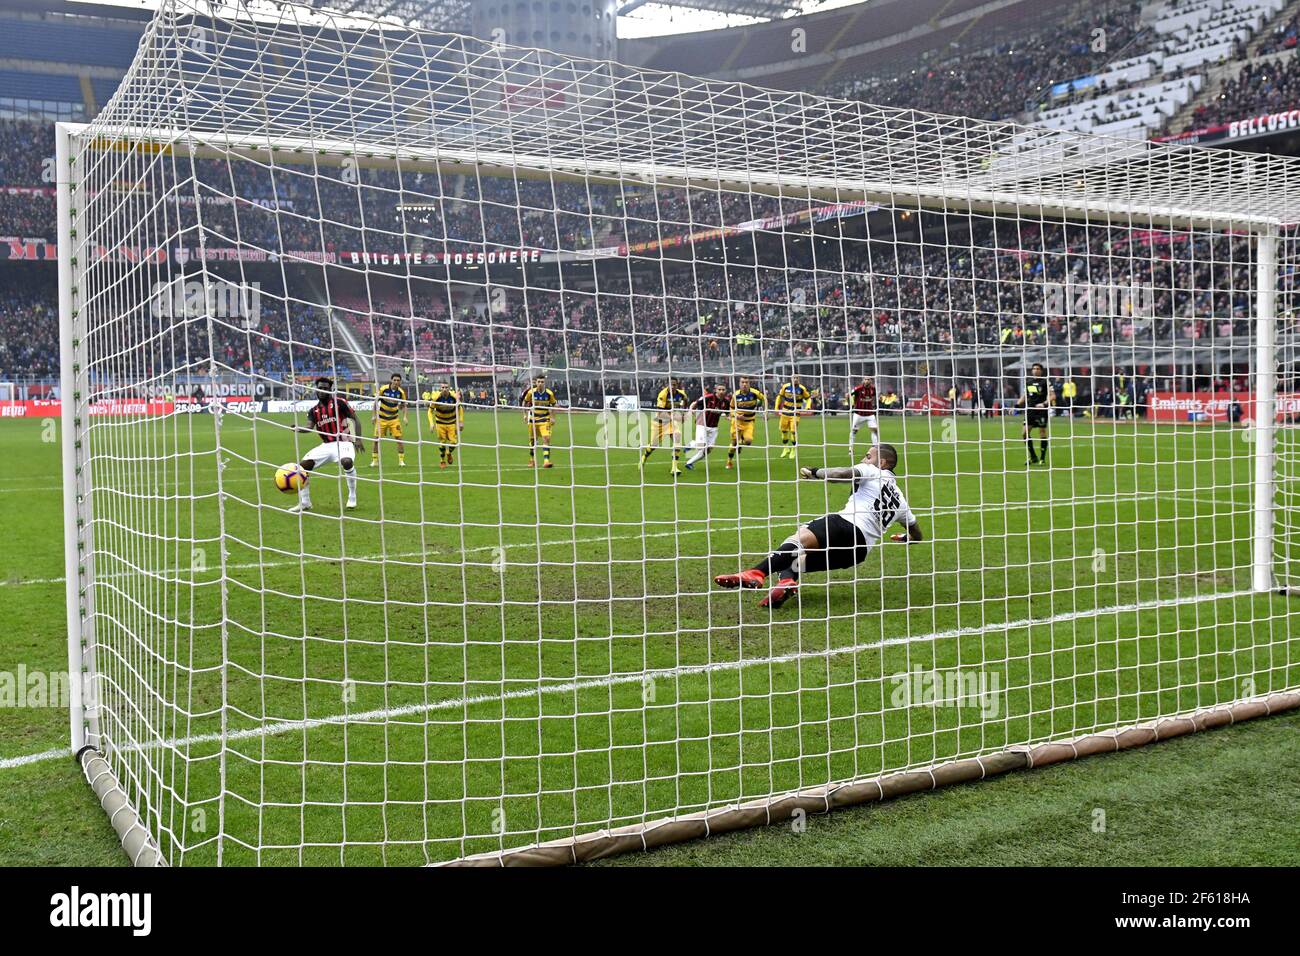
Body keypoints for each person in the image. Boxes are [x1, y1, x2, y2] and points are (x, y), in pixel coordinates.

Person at [714, 443, 922, 609]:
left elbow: (842, 473)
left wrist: (815, 472)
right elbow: (917, 533)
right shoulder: (902, 502)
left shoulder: (873, 471)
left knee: (796, 540)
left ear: (883, 462)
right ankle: (785, 584)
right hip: (858, 552)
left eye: (868, 456)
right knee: (792, 559)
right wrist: (906, 539)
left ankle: (756, 573)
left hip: (844, 526)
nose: (863, 459)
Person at [290, 376, 364, 513]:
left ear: (330, 390)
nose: (322, 391)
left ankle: (352, 496)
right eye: (320, 388)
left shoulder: (339, 402)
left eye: (325, 388)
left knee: (347, 462)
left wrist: (358, 439)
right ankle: (305, 503)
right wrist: (298, 429)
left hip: (343, 443)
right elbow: (309, 427)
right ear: (316, 390)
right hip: (326, 446)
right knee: (302, 467)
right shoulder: (314, 410)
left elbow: (355, 419)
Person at [641, 376, 689, 476]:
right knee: (653, 446)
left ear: (677, 385)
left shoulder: (681, 394)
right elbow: (660, 414)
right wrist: (676, 417)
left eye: (674, 385)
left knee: (677, 437)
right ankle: (644, 456)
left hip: (671, 422)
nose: (672, 386)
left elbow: (685, 400)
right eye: (670, 384)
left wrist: (684, 413)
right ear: (667, 385)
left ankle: (674, 468)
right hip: (659, 423)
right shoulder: (663, 394)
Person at [684, 383, 729, 471]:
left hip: (714, 427)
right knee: (701, 446)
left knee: (708, 449)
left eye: (723, 390)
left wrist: (730, 418)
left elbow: (727, 414)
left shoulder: (726, 402)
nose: (721, 391)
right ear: (716, 390)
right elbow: (695, 403)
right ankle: (691, 444)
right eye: (719, 389)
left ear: (726, 391)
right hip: (702, 423)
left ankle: (689, 463)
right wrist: (690, 411)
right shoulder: (708, 397)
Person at [727, 376, 766, 469]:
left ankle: (740, 444)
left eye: (746, 382)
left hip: (749, 422)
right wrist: (736, 415)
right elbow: (731, 408)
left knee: (748, 441)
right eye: (742, 382)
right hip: (737, 422)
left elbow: (764, 399)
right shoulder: (735, 395)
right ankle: (729, 461)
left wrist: (765, 411)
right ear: (739, 384)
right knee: (733, 443)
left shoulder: (755, 393)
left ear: (749, 384)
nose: (744, 384)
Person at [1018, 363, 1053, 465]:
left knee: (1042, 432)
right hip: (1030, 410)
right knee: (1024, 433)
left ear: (1041, 371)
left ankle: (1042, 458)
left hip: (1041, 410)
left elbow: (1052, 396)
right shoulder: (1028, 382)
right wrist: (1016, 405)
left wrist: (1044, 404)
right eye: (1034, 369)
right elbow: (1025, 396)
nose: (1035, 370)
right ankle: (1033, 457)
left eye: (1038, 369)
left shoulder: (1046, 382)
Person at [370, 373, 408, 467]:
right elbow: (375, 402)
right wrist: (374, 415)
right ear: (391, 380)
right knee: (376, 440)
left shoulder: (401, 392)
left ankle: (401, 461)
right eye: (394, 380)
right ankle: (375, 461)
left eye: (398, 380)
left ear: (400, 382)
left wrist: (405, 416)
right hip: (381, 419)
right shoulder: (384, 389)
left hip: (394, 419)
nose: (396, 382)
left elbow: (404, 405)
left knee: (399, 439)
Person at [520, 374, 558, 468]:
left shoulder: (549, 393)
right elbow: (524, 402)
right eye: (539, 382)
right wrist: (524, 414)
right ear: (536, 383)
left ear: (545, 383)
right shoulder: (531, 392)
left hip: (545, 419)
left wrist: (553, 417)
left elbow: (553, 405)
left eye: (542, 382)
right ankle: (532, 460)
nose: (540, 384)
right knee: (533, 441)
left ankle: (546, 461)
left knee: (546, 438)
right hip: (533, 420)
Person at [774, 375, 812, 458]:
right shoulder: (785, 387)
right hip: (785, 412)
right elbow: (779, 396)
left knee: (793, 431)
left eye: (797, 378)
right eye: (794, 378)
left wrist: (807, 407)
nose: (795, 379)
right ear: (791, 379)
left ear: (799, 379)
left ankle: (793, 450)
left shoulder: (802, 388)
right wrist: (776, 407)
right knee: (783, 431)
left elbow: (808, 398)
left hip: (795, 413)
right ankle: (785, 448)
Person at [428, 381, 464, 468]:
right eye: (443, 387)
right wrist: (431, 423)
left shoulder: (454, 397)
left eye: (446, 387)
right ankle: (442, 461)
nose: (444, 389)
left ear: (449, 388)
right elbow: (430, 411)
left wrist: (461, 421)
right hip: (440, 423)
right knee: (442, 443)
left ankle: (448, 453)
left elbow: (460, 408)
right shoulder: (436, 398)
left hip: (451, 423)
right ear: (440, 389)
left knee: (454, 442)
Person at [848, 374, 879, 452]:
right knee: (854, 431)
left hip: (870, 414)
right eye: (866, 379)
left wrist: (874, 405)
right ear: (863, 380)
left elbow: (874, 397)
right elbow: (848, 395)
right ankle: (851, 448)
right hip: (859, 414)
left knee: (875, 430)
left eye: (868, 379)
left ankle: (875, 448)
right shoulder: (858, 388)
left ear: (871, 381)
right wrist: (851, 404)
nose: (867, 381)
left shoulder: (873, 389)